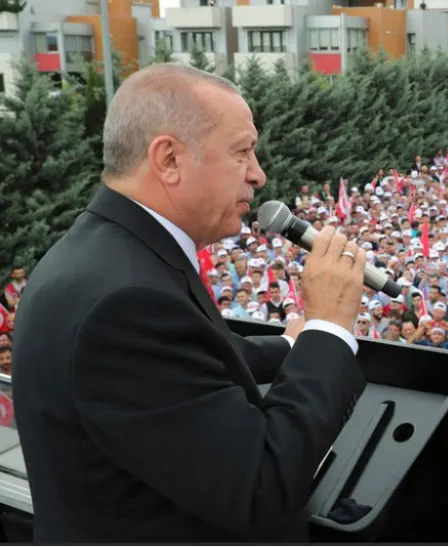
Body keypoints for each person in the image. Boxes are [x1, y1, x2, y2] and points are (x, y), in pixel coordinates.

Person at [11, 64, 369, 541]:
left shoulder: (104, 254)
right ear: (169, 159)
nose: (258, 175)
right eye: (241, 152)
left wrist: (288, 346)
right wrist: (328, 328)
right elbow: (261, 486)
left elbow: (182, 366)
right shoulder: (126, 305)